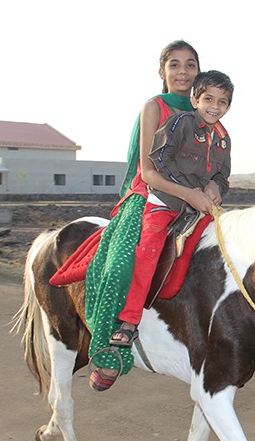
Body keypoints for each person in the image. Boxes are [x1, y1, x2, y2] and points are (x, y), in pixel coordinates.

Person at [85, 39, 231, 391]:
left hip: (196, 199)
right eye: (175, 64)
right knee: (123, 261)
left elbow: (219, 171)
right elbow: (149, 172)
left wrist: (213, 189)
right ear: (162, 71)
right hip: (154, 193)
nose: (183, 71)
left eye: (190, 64)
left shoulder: (216, 122)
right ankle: (111, 343)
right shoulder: (156, 107)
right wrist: (191, 195)